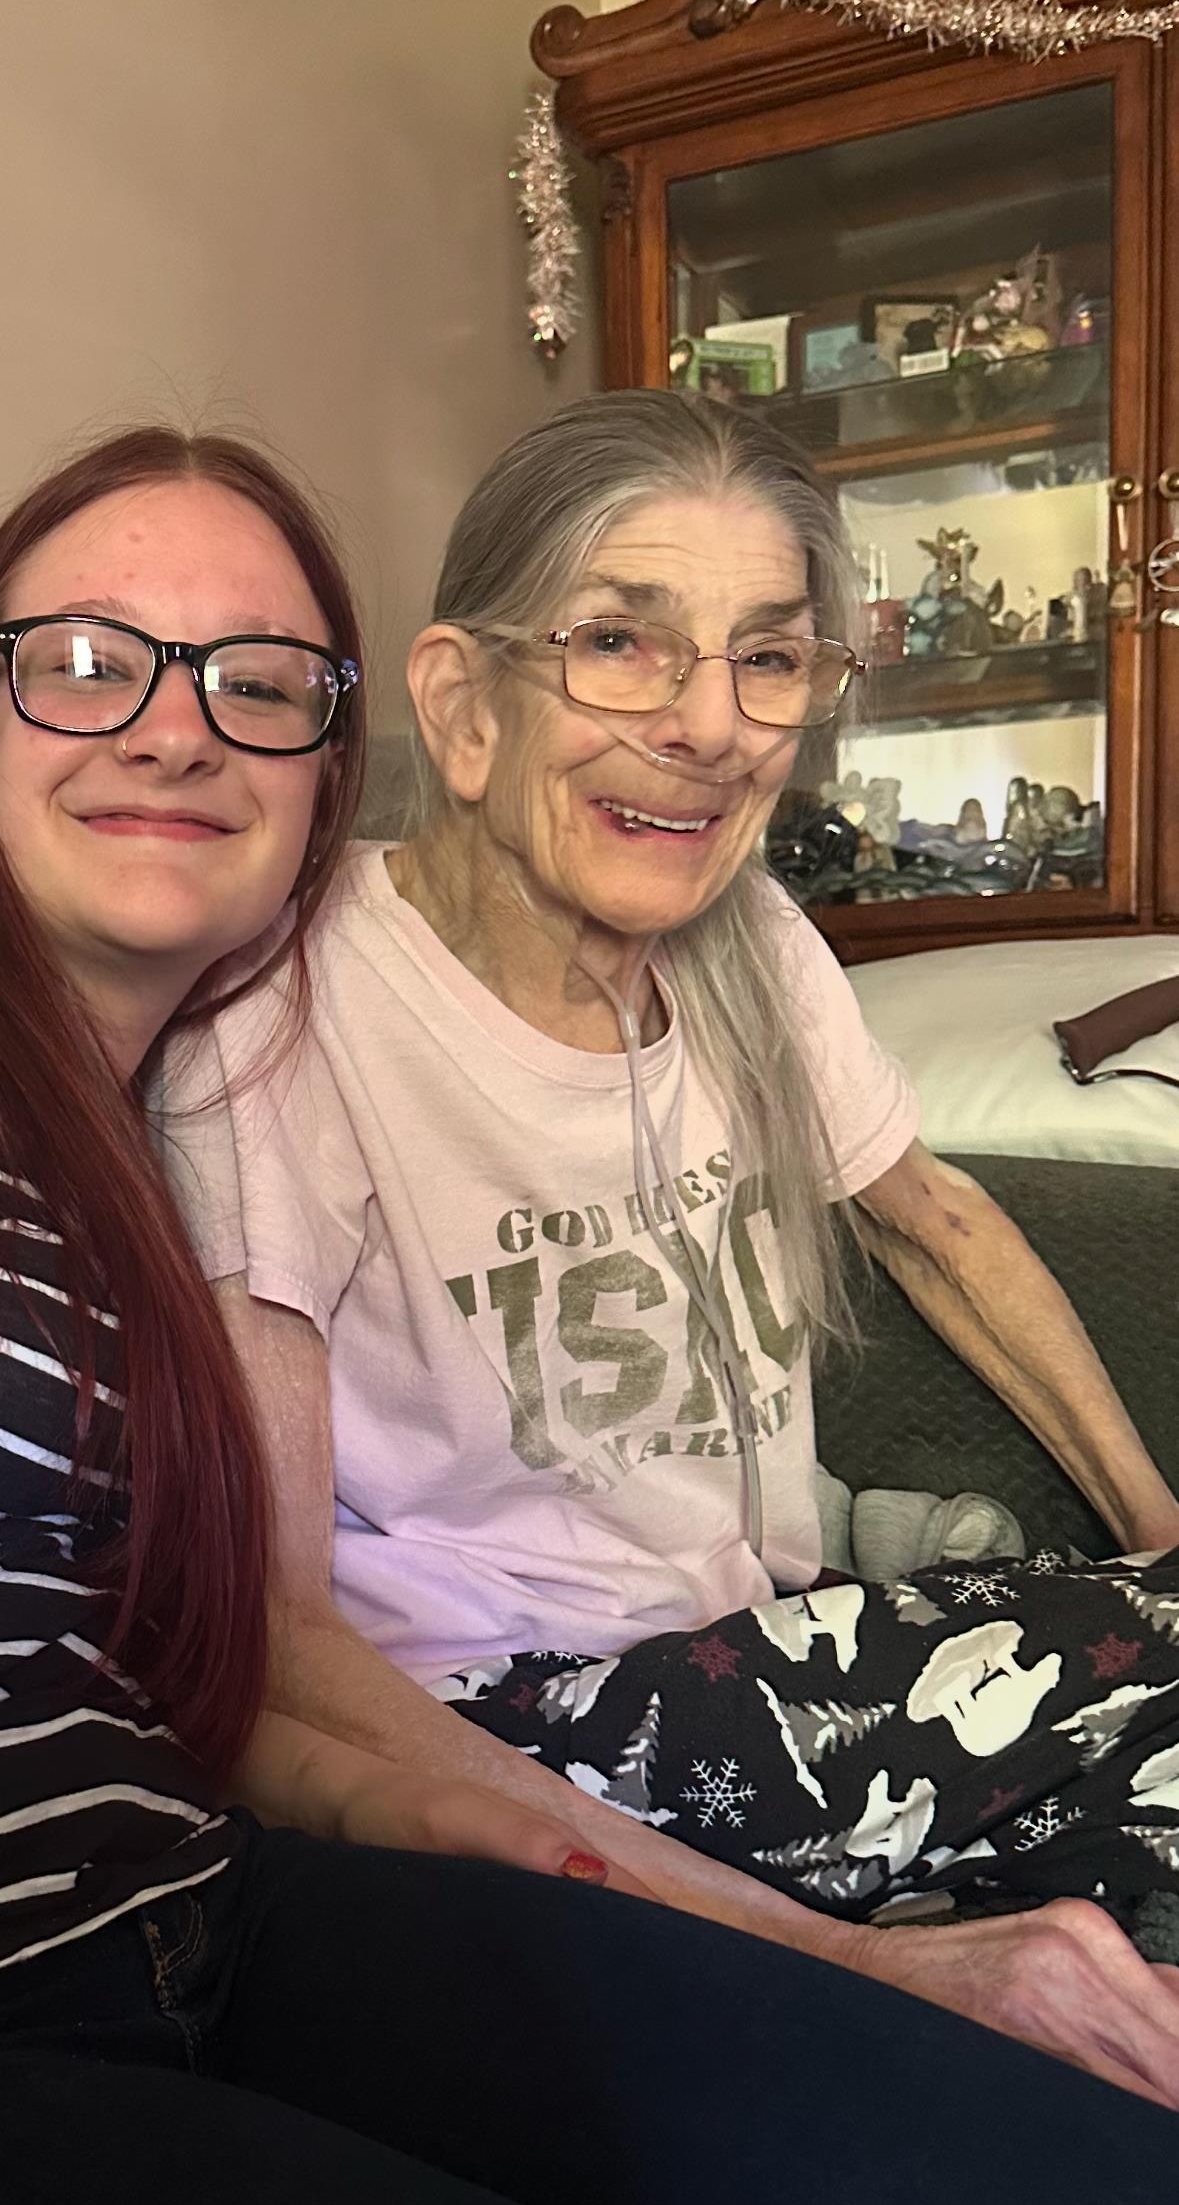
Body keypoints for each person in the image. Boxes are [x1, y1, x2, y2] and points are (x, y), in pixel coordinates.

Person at [8, 425, 1151, 2204]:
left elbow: (934, 1218)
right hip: (519, 1714)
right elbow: (274, 1637)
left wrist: (1158, 1524)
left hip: (733, 1660)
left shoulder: (750, 938)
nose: (707, 723)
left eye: (769, 656)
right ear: (459, 710)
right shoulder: (281, 1016)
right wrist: (833, 1960)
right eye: (619, 641)